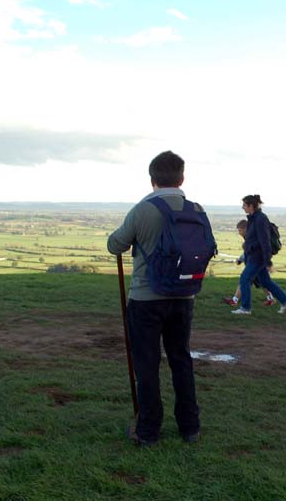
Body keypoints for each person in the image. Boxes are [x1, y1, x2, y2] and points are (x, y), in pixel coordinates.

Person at [107, 151, 205, 447]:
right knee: (181, 359)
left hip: (146, 298)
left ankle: (148, 430)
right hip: (184, 295)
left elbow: (116, 245)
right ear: (182, 178)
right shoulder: (196, 209)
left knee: (147, 364)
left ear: (152, 180)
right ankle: (190, 427)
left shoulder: (143, 209)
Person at [232, 194, 286, 315]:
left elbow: (264, 241)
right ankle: (285, 301)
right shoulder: (254, 218)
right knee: (265, 282)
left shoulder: (260, 219)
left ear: (251, 206)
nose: (242, 207)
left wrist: (268, 261)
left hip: (257, 257)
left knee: (244, 279)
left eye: (244, 205)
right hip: (254, 256)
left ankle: (245, 308)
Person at [222, 219, 275, 307]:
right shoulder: (251, 236)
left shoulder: (251, 238)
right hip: (257, 263)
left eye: (240, 230)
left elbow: (250, 252)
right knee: (262, 282)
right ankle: (271, 299)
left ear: (245, 229)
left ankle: (235, 301)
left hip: (255, 264)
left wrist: (240, 259)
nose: (239, 233)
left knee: (244, 281)